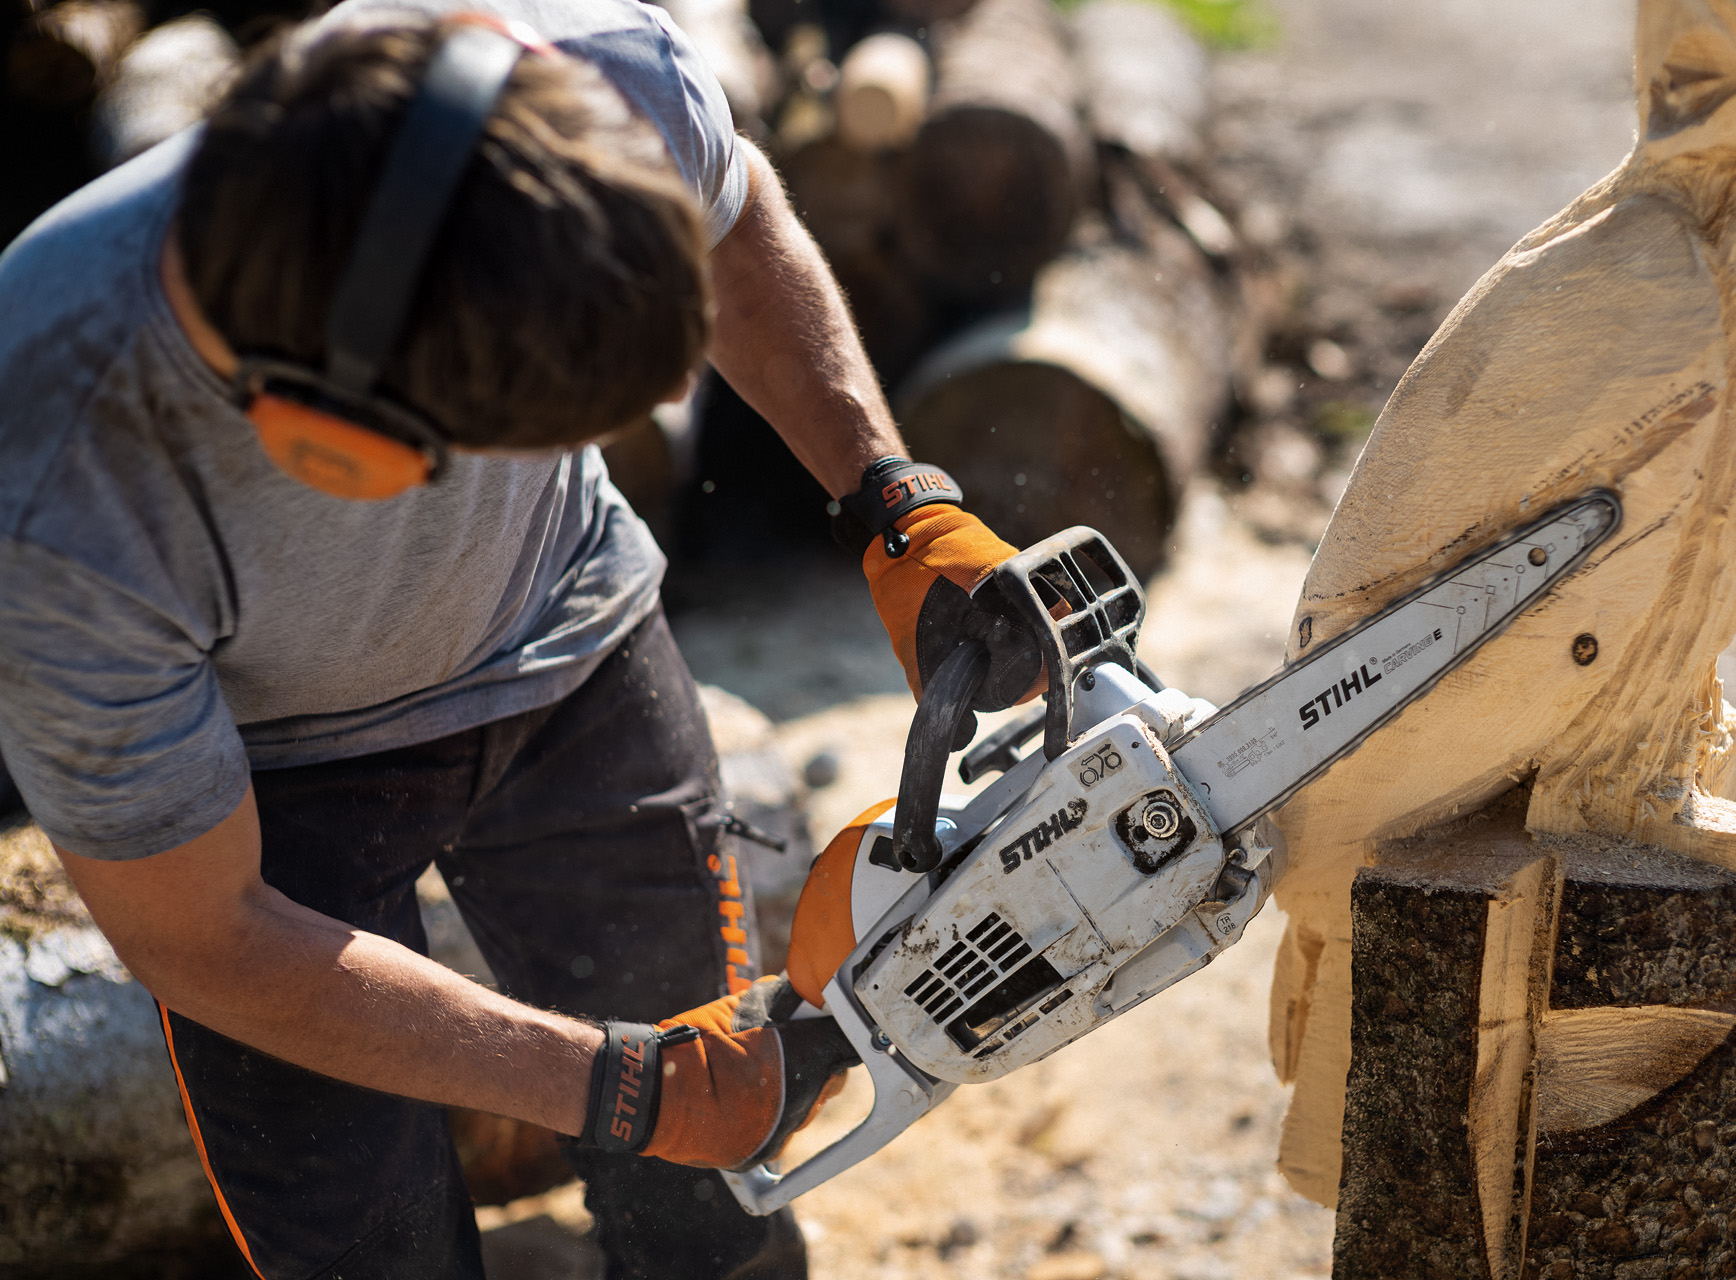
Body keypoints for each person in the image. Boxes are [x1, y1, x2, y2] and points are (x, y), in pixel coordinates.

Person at [0, 3, 1040, 1276]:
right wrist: (618, 1087)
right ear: (335, 435)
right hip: (271, 792)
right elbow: (203, 932)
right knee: (363, 1247)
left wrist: (893, 502)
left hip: (572, 636)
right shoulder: (53, 478)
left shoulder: (590, 70)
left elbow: (730, 211)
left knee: (715, 1207)